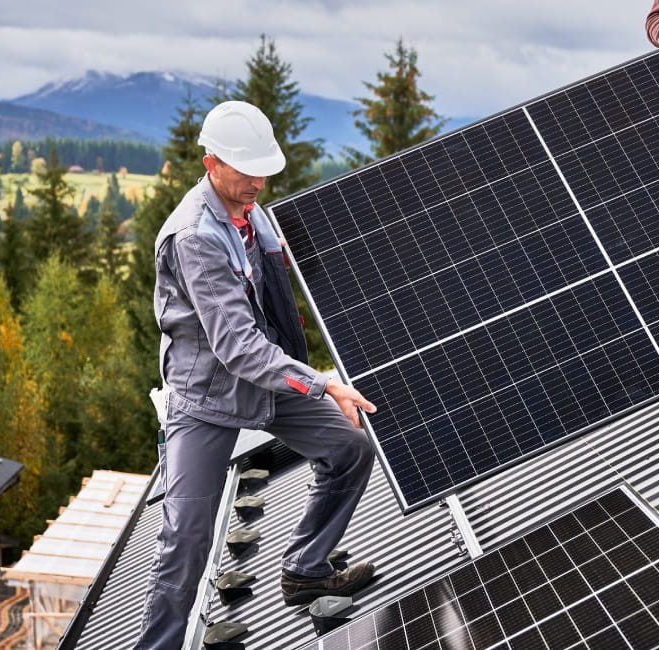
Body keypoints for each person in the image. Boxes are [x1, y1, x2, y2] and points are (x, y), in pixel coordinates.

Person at [136, 100, 379, 649]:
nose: (257, 182)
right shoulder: (195, 237)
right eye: (246, 171)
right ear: (211, 164)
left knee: (349, 448)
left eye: (262, 170)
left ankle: (306, 568)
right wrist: (322, 382)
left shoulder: (253, 215)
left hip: (265, 383)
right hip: (206, 398)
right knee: (187, 538)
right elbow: (238, 347)